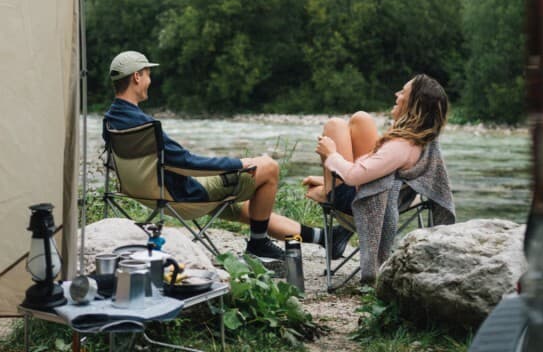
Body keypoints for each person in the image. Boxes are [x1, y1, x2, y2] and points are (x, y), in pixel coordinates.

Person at [103, 50, 330, 260]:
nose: (150, 81)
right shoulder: (146, 126)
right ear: (136, 77)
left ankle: (325, 238)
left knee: (249, 211)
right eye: (148, 75)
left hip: (144, 193)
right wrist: (239, 163)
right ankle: (259, 244)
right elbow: (186, 164)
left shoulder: (111, 120)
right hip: (183, 196)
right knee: (269, 167)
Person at [304, 73, 456, 280]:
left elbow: (354, 176)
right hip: (392, 194)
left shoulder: (400, 147)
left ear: (413, 104)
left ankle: (327, 191)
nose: (397, 94)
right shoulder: (421, 138)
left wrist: (331, 154)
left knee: (335, 125)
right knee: (361, 118)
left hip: (366, 200)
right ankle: (326, 185)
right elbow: (372, 166)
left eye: (403, 92)